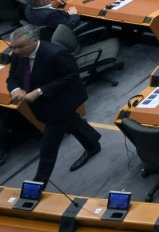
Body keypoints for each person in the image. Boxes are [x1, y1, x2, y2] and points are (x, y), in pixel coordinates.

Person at [6, 25, 102, 184]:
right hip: (42, 103)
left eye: (20, 47)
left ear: (34, 41)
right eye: (13, 47)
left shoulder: (55, 53)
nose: (15, 51)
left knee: (48, 148)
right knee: (72, 121)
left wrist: (40, 91)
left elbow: (71, 76)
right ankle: (93, 144)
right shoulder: (18, 54)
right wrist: (15, 89)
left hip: (61, 101)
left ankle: (38, 184)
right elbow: (12, 77)